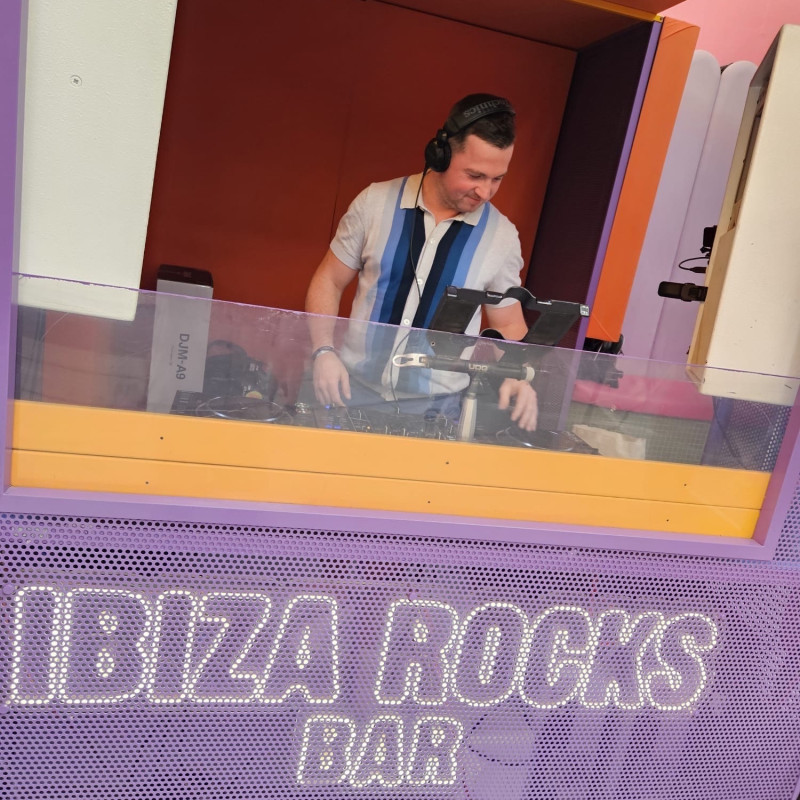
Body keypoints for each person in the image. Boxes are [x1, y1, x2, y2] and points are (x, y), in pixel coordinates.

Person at [305, 93, 538, 431]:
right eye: (474, 175)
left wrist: (518, 374)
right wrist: (323, 351)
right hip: (352, 391)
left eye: (497, 178)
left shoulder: (501, 236)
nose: (485, 192)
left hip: (437, 411)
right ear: (441, 155)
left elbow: (508, 324)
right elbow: (329, 280)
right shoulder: (374, 203)